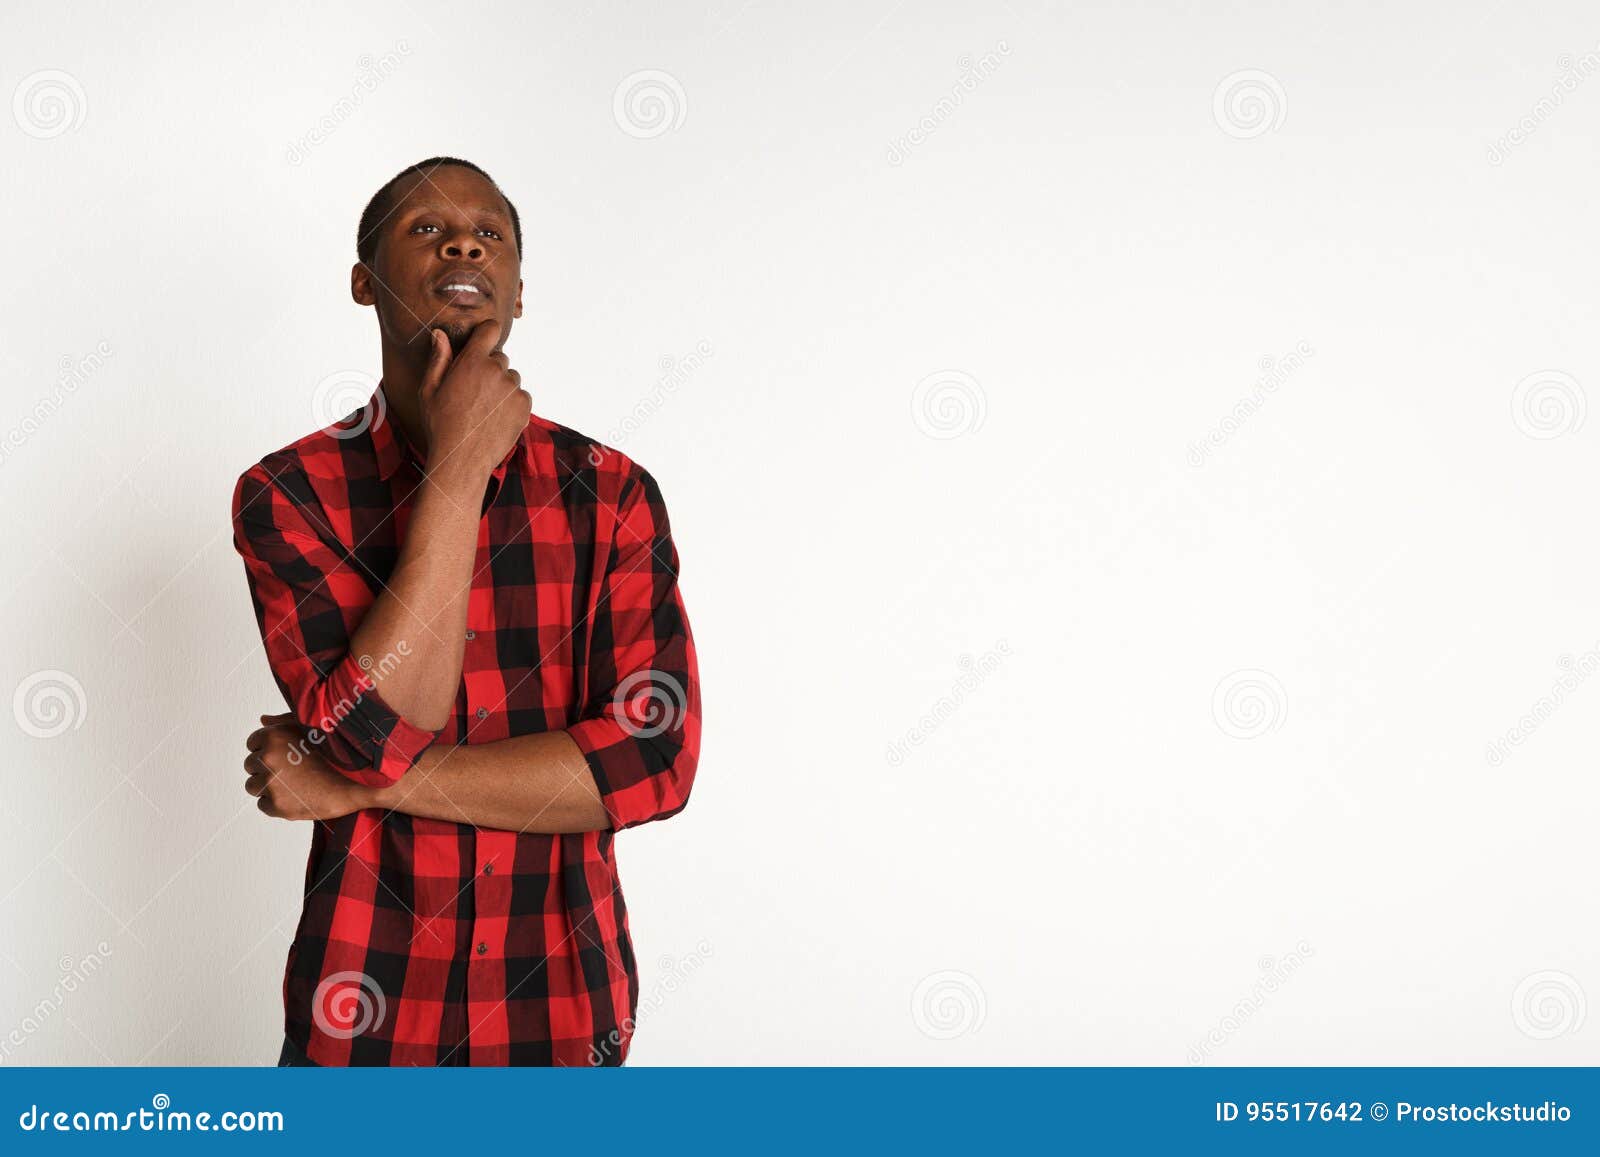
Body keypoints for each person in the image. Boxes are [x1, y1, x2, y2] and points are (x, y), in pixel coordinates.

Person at [230, 157, 701, 1066]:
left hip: (564, 1007)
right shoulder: (287, 491)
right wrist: (455, 472)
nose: (461, 242)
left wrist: (362, 777)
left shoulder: (610, 493)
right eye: (424, 228)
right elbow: (376, 730)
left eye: (490, 234)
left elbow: (653, 761)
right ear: (362, 282)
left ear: (518, 292)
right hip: (364, 1006)